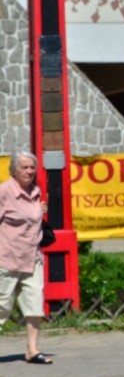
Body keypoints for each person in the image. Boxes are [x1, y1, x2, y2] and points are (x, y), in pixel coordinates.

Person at [0, 150, 52, 364]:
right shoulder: (4, 192)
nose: (29, 171)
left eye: (32, 167)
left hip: (32, 259)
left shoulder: (36, 192)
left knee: (34, 306)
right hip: (6, 258)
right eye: (24, 167)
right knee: (1, 306)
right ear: (13, 170)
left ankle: (32, 350)